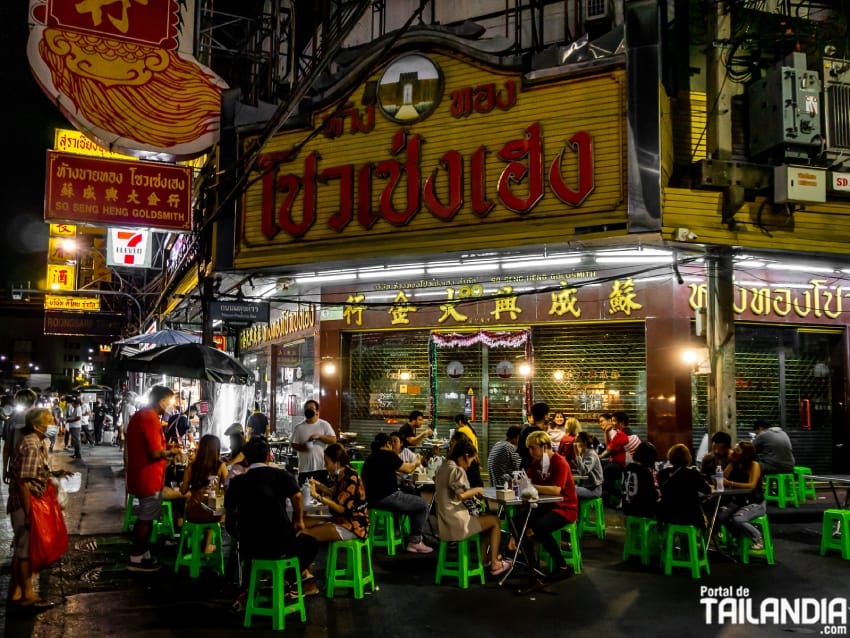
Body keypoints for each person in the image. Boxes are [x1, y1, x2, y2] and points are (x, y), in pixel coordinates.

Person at [225, 436, 320, 601]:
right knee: (310, 543)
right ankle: (288, 579)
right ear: (268, 455)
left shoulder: (238, 482)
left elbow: (229, 509)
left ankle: (272, 582)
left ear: (246, 458)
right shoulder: (280, 475)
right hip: (279, 542)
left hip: (250, 545)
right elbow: (297, 496)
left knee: (249, 550)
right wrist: (298, 520)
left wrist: (239, 531)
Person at [6, 407, 70, 609]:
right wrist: (28, 513)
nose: (52, 423)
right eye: (49, 420)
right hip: (27, 502)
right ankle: (27, 595)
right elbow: (23, 482)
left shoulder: (35, 442)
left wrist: (57, 472)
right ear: (36, 426)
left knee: (21, 549)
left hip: (27, 500)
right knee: (25, 551)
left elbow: (35, 472)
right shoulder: (32, 445)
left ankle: (17, 593)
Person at [434, 435, 512, 576]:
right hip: (457, 523)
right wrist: (478, 490)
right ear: (464, 456)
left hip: (444, 522)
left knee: (485, 520)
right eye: (470, 460)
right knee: (494, 521)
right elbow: (461, 495)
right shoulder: (457, 470)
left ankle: (484, 559)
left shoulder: (443, 467)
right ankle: (495, 563)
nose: (470, 464)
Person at [125, 385, 182, 572]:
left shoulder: (142, 416)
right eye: (170, 401)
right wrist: (172, 452)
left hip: (143, 474)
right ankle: (136, 557)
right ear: (161, 401)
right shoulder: (149, 418)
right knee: (146, 518)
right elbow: (155, 452)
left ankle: (144, 553)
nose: (171, 405)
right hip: (148, 477)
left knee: (147, 517)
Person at [511, 430, 578, 580]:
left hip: (565, 508)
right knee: (516, 522)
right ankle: (530, 565)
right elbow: (526, 480)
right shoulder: (536, 463)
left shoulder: (559, 462)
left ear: (544, 446)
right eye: (529, 448)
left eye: (533, 448)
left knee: (540, 527)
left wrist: (532, 485)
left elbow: (556, 490)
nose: (530, 451)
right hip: (546, 506)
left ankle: (562, 566)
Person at [361, 432, 433, 554]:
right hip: (388, 497)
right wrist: (417, 461)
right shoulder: (388, 455)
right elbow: (408, 469)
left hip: (372, 500)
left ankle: (402, 533)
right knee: (422, 505)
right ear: (387, 444)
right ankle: (415, 542)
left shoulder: (370, 458)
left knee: (410, 499)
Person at [303, 443, 369, 542]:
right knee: (301, 523)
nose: (325, 466)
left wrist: (317, 496)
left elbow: (341, 509)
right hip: (339, 519)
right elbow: (334, 492)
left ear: (337, 462)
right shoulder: (342, 474)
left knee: (306, 534)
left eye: (327, 463)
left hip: (353, 525)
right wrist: (319, 485)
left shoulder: (351, 478)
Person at [180, 434, 228, 553]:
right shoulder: (220, 466)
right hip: (214, 515)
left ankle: (195, 543)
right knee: (216, 496)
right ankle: (208, 545)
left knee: (205, 500)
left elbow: (183, 490)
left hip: (193, 513)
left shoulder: (191, 467)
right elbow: (229, 488)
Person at [716, 440, 766, 550]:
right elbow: (722, 478)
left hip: (755, 503)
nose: (733, 452)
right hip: (738, 501)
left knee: (738, 519)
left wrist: (730, 483)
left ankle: (758, 538)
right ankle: (737, 537)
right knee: (720, 517)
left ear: (745, 454)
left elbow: (751, 485)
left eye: (737, 450)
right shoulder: (733, 465)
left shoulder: (754, 465)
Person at [657, 443, 712, 531]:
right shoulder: (693, 474)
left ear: (670, 457)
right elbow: (707, 490)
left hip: (668, 516)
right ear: (688, 457)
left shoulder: (662, 474)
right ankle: (699, 541)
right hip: (691, 516)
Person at [290, 399, 337, 486]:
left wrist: (320, 436)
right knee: (305, 494)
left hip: (321, 468)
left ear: (317, 411)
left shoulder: (324, 425)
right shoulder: (299, 427)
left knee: (322, 495)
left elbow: (333, 440)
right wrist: (303, 448)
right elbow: (293, 444)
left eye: (311, 408)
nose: (309, 410)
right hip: (304, 469)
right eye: (306, 408)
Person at [3, 388, 38, 481]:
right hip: (33, 468)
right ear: (33, 402)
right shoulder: (37, 421)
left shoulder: (10, 421)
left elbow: (7, 448)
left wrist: (4, 470)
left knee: (15, 494)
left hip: (15, 466)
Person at [621, 441, 660, 518]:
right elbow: (651, 495)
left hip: (626, 508)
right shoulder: (644, 472)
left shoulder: (627, 468)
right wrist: (658, 493)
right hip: (640, 510)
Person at [453, 413, 483, 488]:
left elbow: (457, 444)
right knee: (475, 482)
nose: (456, 425)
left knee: (470, 482)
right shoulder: (469, 429)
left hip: (468, 458)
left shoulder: (462, 430)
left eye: (456, 423)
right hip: (474, 457)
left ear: (459, 422)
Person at [572, 431, 603, 500]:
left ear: (584, 443)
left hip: (593, 490)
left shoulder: (591, 454)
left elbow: (584, 471)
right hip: (586, 486)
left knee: (569, 491)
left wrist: (578, 455)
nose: (575, 444)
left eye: (578, 441)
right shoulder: (584, 453)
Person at [517, 402, 548, 470]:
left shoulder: (524, 430)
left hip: (524, 468)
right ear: (545, 416)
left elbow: (520, 451)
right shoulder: (541, 434)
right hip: (536, 470)